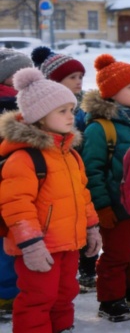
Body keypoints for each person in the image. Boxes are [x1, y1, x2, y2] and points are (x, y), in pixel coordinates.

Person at [0, 67, 102, 332]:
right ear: (39, 116)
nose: (72, 116)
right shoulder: (25, 158)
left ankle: (62, 327)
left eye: (71, 109)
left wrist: (91, 228)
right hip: (39, 247)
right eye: (63, 111)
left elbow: (83, 196)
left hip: (69, 243)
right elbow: (16, 206)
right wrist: (31, 244)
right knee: (38, 298)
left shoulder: (70, 154)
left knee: (66, 293)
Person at [81, 55, 130, 322]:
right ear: (112, 93)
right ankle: (110, 299)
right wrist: (102, 206)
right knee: (116, 254)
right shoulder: (100, 128)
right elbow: (92, 171)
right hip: (116, 206)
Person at [30, 46, 97, 292]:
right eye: (72, 77)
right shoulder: (47, 111)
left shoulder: (86, 104)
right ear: (55, 81)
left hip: (80, 168)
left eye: (81, 76)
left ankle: (88, 268)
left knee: (84, 221)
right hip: (58, 169)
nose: (79, 81)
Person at [0, 49, 33, 320]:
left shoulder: (27, 101)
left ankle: (9, 291)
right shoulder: (13, 102)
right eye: (17, 72)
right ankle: (7, 293)